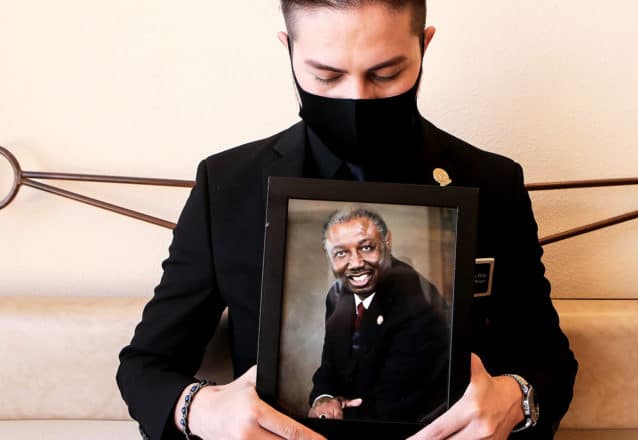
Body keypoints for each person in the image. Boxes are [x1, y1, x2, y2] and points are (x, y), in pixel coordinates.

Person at [117, 1, 578, 439]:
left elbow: (551, 360)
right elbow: (146, 365)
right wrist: (199, 409)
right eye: (326, 75)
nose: (356, 97)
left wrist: (517, 400)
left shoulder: (493, 181)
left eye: (386, 73)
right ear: (289, 51)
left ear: (425, 45)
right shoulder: (227, 185)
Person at [307, 207, 450, 423]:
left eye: (366, 247)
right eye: (341, 253)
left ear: (387, 241)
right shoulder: (337, 296)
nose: (355, 263)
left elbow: (397, 404)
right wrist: (323, 400)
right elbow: (331, 366)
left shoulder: (416, 300)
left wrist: (339, 413)